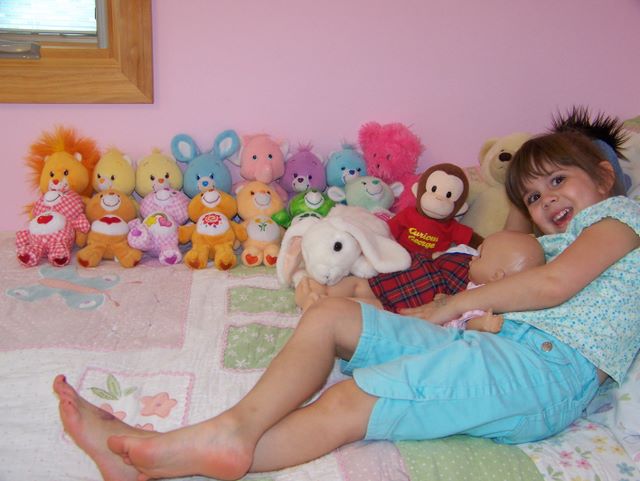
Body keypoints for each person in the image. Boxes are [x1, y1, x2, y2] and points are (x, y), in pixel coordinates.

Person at [53, 129, 640, 481]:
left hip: (541, 372)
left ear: (603, 176)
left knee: (353, 399)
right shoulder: (561, 235)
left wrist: (448, 306)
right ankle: (226, 431)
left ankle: (166, 456)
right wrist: (517, 197)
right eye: (533, 195)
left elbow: (551, 286)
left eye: (558, 181)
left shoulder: (620, 221)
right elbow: (518, 244)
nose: (545, 200)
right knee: (331, 315)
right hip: (499, 348)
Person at [297, 230, 545, 334]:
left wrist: (483, 324)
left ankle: (319, 306)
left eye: (480, 256)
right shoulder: (469, 262)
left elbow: (468, 322)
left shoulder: (488, 297)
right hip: (416, 275)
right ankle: (315, 290)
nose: (473, 258)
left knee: (372, 309)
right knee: (361, 285)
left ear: (497, 276)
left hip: (417, 302)